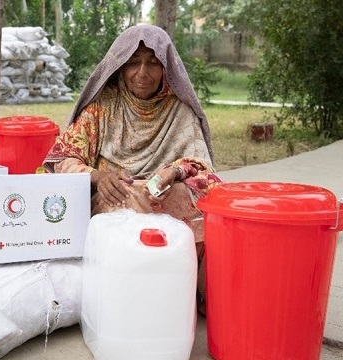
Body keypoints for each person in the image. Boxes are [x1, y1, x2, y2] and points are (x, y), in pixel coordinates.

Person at [43, 24, 223, 316]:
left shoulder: (180, 111)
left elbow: (205, 171)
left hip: (163, 196)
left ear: (167, 69)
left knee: (200, 205)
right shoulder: (102, 108)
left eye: (153, 63)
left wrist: (174, 172)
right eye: (133, 62)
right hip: (112, 198)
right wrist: (99, 177)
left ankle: (192, 292)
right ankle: (139, 297)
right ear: (120, 66)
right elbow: (61, 159)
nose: (143, 73)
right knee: (130, 197)